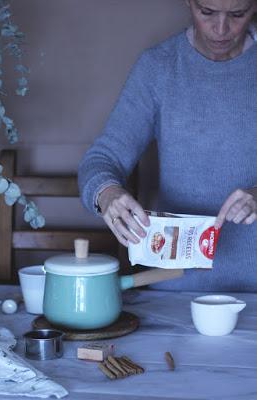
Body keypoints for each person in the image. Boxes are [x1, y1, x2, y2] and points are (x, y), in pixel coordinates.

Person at [78, 0, 257, 291]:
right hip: (174, 282)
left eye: (237, 14)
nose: (221, 29)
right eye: (207, 12)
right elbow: (102, 158)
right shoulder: (158, 67)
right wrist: (107, 194)